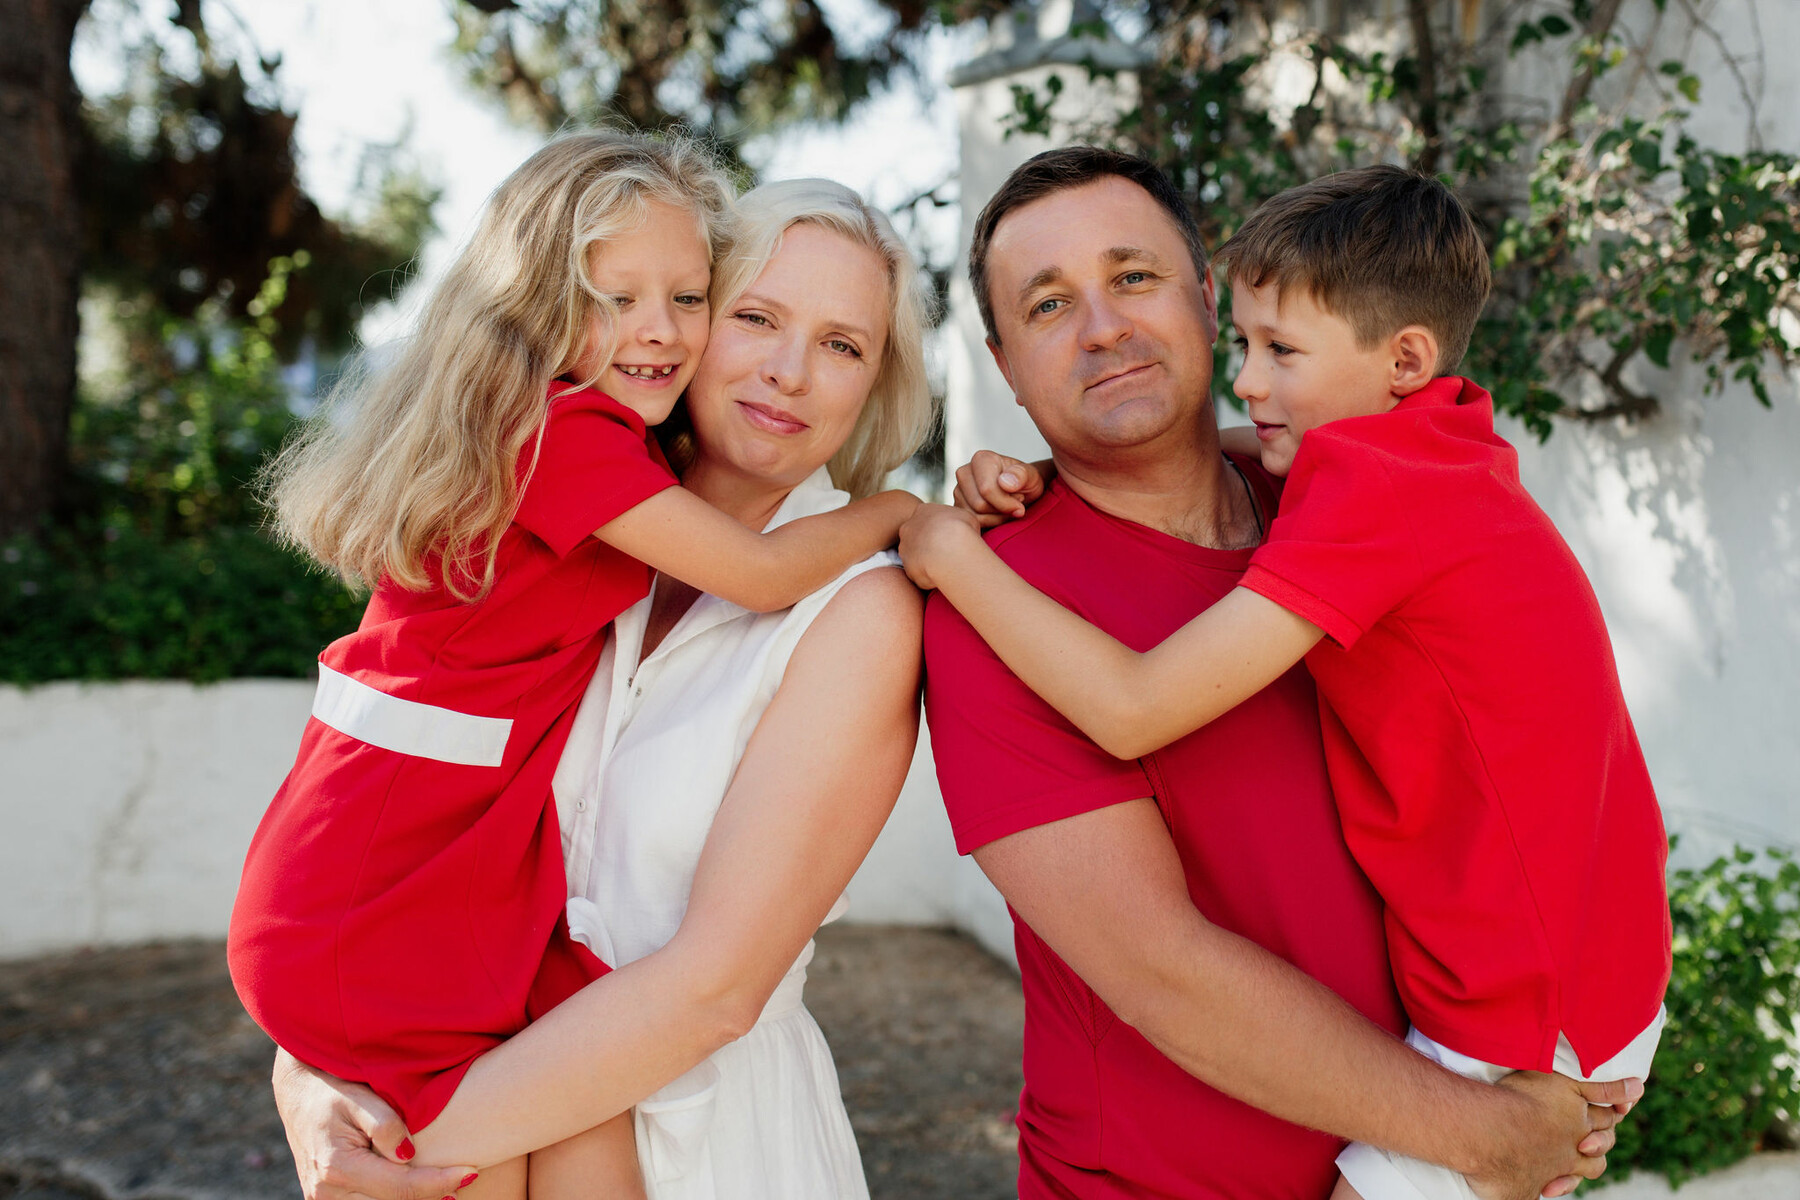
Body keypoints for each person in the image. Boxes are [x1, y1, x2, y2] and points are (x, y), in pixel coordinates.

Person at [904, 163, 1672, 1200]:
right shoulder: (1000, 614)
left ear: (1205, 301)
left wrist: (1502, 1125)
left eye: (1133, 277)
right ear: (1002, 363)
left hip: (1494, 1053)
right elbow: (1159, 969)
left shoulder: (1334, 509)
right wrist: (1484, 1136)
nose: (1100, 328)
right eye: (1049, 303)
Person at [229, 133, 922, 1200]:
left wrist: (388, 1138)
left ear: (879, 379)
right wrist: (311, 1084)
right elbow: (395, 870)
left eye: (843, 344)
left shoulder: (860, 609)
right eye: (755, 317)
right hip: (491, 1041)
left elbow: (710, 992)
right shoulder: (591, 531)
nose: (789, 369)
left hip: (701, 1131)